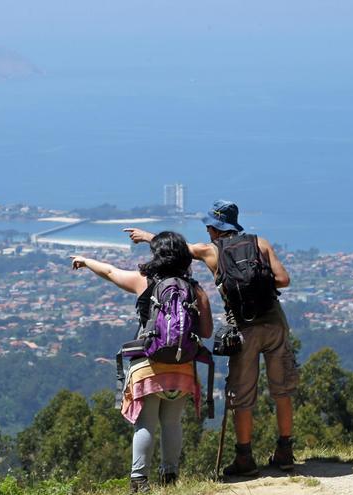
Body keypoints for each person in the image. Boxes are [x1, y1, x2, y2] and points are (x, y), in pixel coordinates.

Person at [124, 200, 297, 477]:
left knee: (242, 395)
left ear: (215, 228)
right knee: (282, 389)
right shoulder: (260, 243)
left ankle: (245, 458)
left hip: (243, 327)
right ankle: (286, 451)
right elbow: (284, 280)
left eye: (208, 226)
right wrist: (258, 283)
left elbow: (176, 250)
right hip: (275, 322)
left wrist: (147, 236)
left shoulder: (209, 251)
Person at [70, 231, 213, 492]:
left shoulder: (144, 282)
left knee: (145, 422)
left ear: (157, 255)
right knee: (172, 422)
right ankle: (170, 476)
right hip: (182, 368)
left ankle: (139, 481)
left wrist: (86, 260)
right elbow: (206, 332)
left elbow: (111, 272)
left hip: (148, 365)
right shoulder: (196, 290)